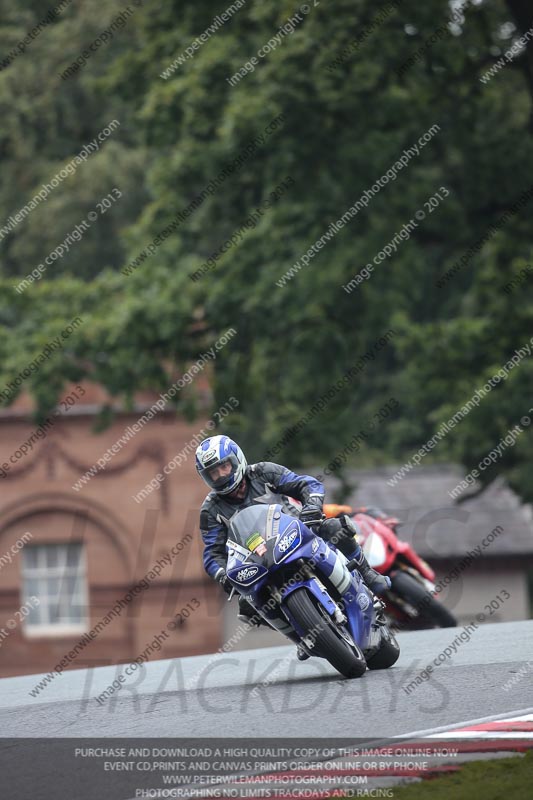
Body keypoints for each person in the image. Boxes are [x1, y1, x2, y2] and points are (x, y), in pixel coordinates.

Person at [195, 435, 391, 658]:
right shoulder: (210, 510)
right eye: (213, 472)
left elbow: (307, 485)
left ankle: (367, 573)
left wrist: (312, 506)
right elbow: (212, 553)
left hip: (300, 530)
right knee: (247, 604)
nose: (221, 475)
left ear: (236, 460)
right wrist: (222, 574)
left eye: (224, 467)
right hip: (258, 559)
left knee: (336, 527)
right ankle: (300, 633)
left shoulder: (263, 472)